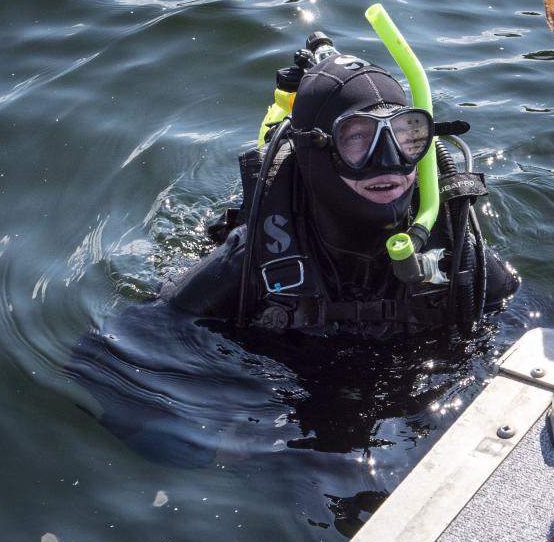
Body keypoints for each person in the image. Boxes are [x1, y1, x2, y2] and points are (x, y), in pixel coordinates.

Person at [163, 30, 519, 340]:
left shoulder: (455, 248)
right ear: (314, 154)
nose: (389, 160)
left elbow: (528, 324)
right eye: (358, 138)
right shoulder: (249, 261)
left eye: (405, 135)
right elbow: (151, 335)